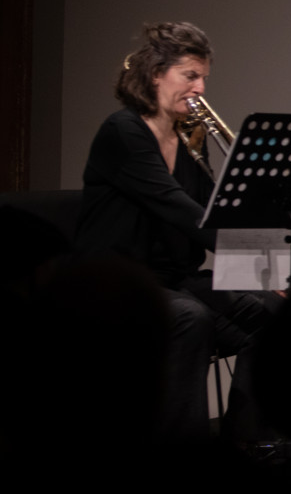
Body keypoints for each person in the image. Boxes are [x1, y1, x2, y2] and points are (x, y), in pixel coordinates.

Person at [76, 22, 278, 440]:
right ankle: (180, 457)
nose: (200, 88)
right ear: (156, 74)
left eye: (203, 77)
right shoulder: (123, 132)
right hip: (116, 283)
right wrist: (255, 260)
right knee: (190, 318)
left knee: (273, 315)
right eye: (190, 75)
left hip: (174, 279)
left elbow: (210, 210)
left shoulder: (190, 138)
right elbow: (179, 210)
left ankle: (247, 445)